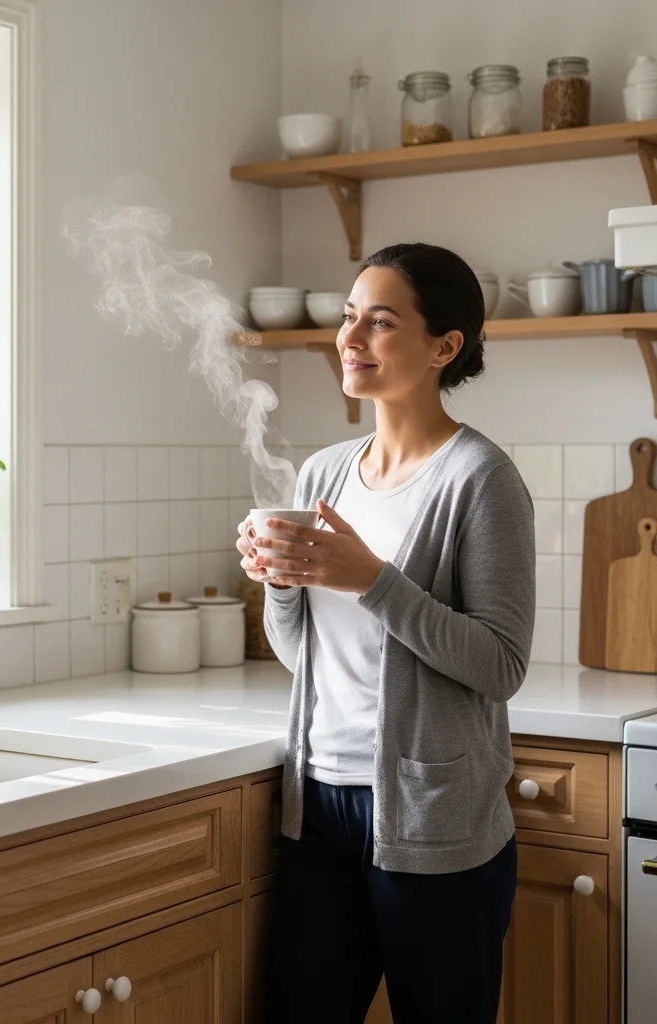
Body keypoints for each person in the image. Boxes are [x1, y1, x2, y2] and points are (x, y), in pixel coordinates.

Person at [236, 242, 536, 1024]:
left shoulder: (480, 478)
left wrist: (368, 578)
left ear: (445, 346)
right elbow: (305, 656)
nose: (350, 338)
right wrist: (279, 581)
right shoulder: (324, 475)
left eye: (379, 321)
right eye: (347, 318)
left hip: (434, 817)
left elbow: (501, 664)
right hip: (319, 806)